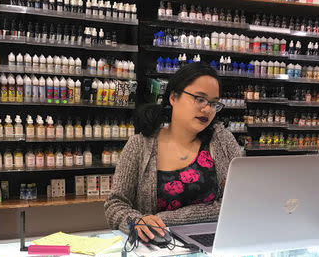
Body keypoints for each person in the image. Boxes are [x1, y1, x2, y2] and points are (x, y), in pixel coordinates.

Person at [104, 62, 243, 242]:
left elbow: (237, 202)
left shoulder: (223, 142)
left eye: (214, 103)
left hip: (216, 246)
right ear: (173, 97)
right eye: (199, 99)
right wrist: (137, 221)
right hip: (158, 248)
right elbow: (115, 205)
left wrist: (163, 219)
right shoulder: (139, 146)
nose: (207, 109)